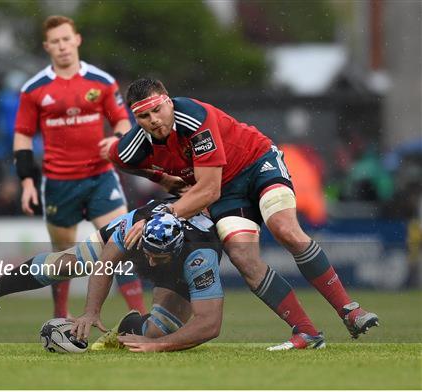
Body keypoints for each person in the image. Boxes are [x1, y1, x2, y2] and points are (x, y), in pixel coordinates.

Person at [108, 78, 379, 350]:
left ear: (168, 101)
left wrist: (164, 214)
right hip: (228, 193)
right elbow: (117, 157)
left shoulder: (192, 117)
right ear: (136, 118)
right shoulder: (135, 143)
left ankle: (349, 310)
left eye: (157, 109)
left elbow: (209, 190)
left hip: (257, 163)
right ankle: (307, 333)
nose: (153, 120)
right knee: (241, 256)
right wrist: (162, 178)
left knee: (285, 230)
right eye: (143, 115)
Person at [0, 200, 224, 353]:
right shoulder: (135, 232)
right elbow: (105, 265)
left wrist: (156, 345)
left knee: (160, 333)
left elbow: (210, 324)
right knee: (64, 265)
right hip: (136, 227)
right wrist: (90, 312)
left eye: (156, 258)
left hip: (181, 265)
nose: (148, 263)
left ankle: (129, 326)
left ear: (176, 252)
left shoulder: (201, 258)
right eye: (147, 254)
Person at [12, 15, 145, 317]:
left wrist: (118, 140)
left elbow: (122, 120)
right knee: (62, 255)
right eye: (55, 42)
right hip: (59, 183)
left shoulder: (101, 81)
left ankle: (139, 317)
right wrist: (27, 182)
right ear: (47, 46)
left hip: (100, 178)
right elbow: (22, 136)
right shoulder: (34, 89)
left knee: (120, 243)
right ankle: (61, 315)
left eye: (66, 39)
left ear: (77, 40)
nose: (62, 46)